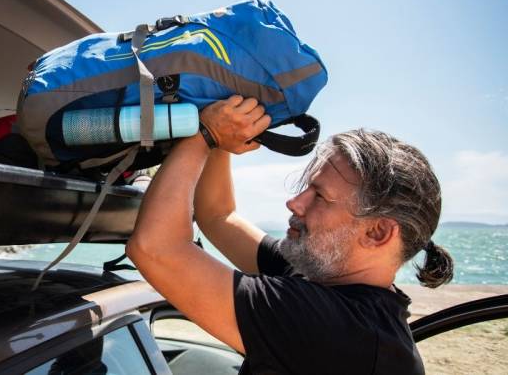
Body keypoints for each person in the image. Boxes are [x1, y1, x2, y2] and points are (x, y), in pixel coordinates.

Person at [126, 95, 454, 374]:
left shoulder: (340, 329)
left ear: (378, 232)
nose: (295, 203)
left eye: (320, 196)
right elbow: (218, 216)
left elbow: (155, 248)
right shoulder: (325, 278)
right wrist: (224, 137)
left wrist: (204, 135)